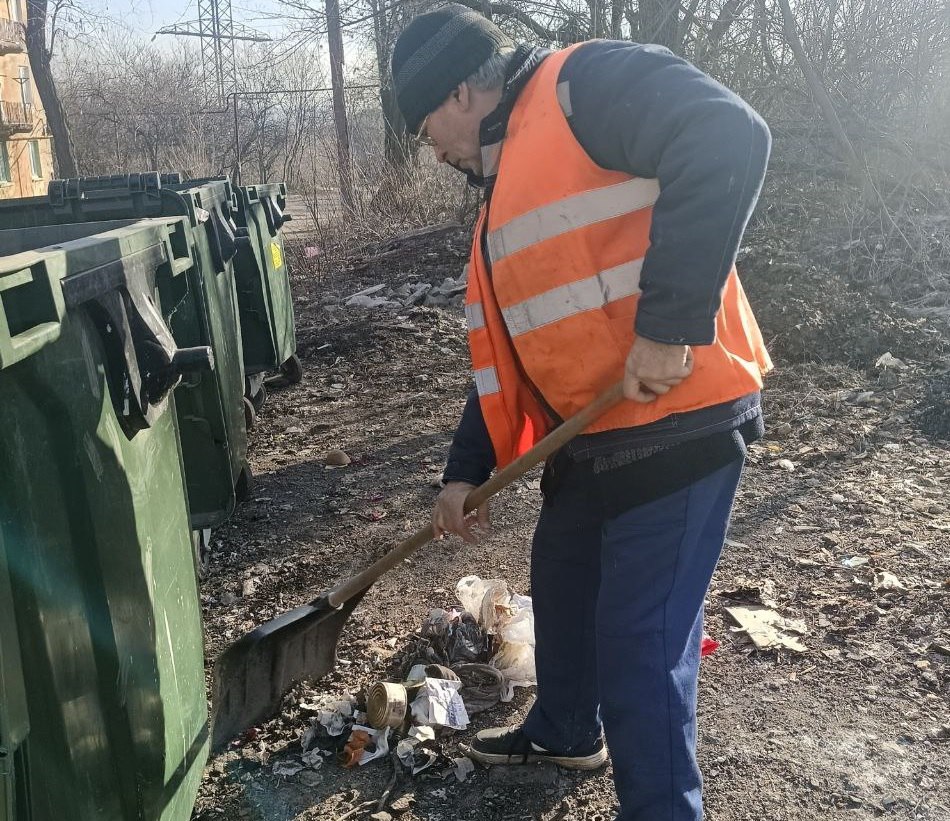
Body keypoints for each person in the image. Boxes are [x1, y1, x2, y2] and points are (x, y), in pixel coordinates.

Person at [391, 6, 772, 820]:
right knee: (562, 581)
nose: (432, 149)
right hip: (594, 439)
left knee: (638, 650)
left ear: (459, 93)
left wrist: (671, 325)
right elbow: (510, 356)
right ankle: (566, 728)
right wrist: (464, 472)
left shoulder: (582, 86)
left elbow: (728, 133)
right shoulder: (503, 191)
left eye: (426, 128)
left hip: (680, 424)